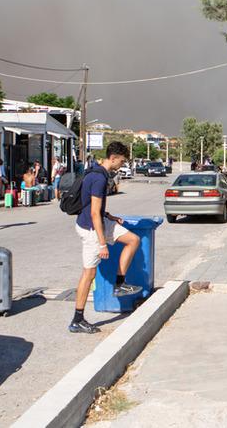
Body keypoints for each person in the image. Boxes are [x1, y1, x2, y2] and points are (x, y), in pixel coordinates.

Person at [70, 141, 142, 334]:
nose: (122, 164)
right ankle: (77, 319)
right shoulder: (99, 178)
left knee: (133, 240)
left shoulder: (96, 172)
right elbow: (93, 212)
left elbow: (95, 208)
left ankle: (120, 283)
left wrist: (109, 216)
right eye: (122, 161)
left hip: (100, 221)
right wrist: (103, 244)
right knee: (89, 274)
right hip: (91, 229)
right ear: (113, 158)